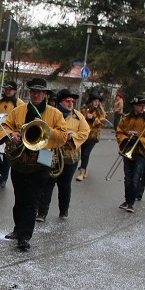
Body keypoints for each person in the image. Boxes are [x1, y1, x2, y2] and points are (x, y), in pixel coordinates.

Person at [0, 78, 69, 250]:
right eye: (33, 91)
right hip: (20, 160)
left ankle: (25, 236)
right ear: (30, 93)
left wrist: (46, 129)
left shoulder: (55, 114)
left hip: (42, 160)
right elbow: (4, 126)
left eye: (40, 92)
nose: (36, 94)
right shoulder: (19, 110)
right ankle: (17, 229)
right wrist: (11, 135)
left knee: (32, 200)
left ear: (45, 94)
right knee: (19, 199)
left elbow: (63, 136)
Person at [37, 88, 89, 220]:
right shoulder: (51, 113)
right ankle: (42, 213)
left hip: (69, 156)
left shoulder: (78, 116)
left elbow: (85, 132)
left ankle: (63, 211)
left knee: (64, 185)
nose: (71, 103)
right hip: (48, 153)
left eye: (72, 101)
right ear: (60, 102)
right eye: (68, 101)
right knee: (46, 183)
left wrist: (72, 137)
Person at [115, 96, 145, 212]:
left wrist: (140, 140)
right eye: (140, 105)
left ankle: (131, 202)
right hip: (128, 150)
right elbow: (119, 131)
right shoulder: (126, 118)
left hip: (140, 152)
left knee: (135, 177)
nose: (143, 108)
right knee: (127, 178)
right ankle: (127, 200)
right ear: (134, 106)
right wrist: (125, 140)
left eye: (144, 106)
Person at [0, 80, 22, 190]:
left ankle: (3, 179)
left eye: (9, 90)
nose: (7, 91)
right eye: (6, 89)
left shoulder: (20, 104)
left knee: (8, 156)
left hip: (11, 134)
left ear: (15, 91)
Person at [76, 90, 106, 181]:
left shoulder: (100, 111)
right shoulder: (84, 109)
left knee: (86, 154)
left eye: (98, 101)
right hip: (84, 135)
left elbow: (102, 123)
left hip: (93, 136)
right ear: (91, 101)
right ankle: (84, 168)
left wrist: (93, 119)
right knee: (82, 153)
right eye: (95, 101)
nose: (97, 103)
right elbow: (79, 118)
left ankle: (82, 171)